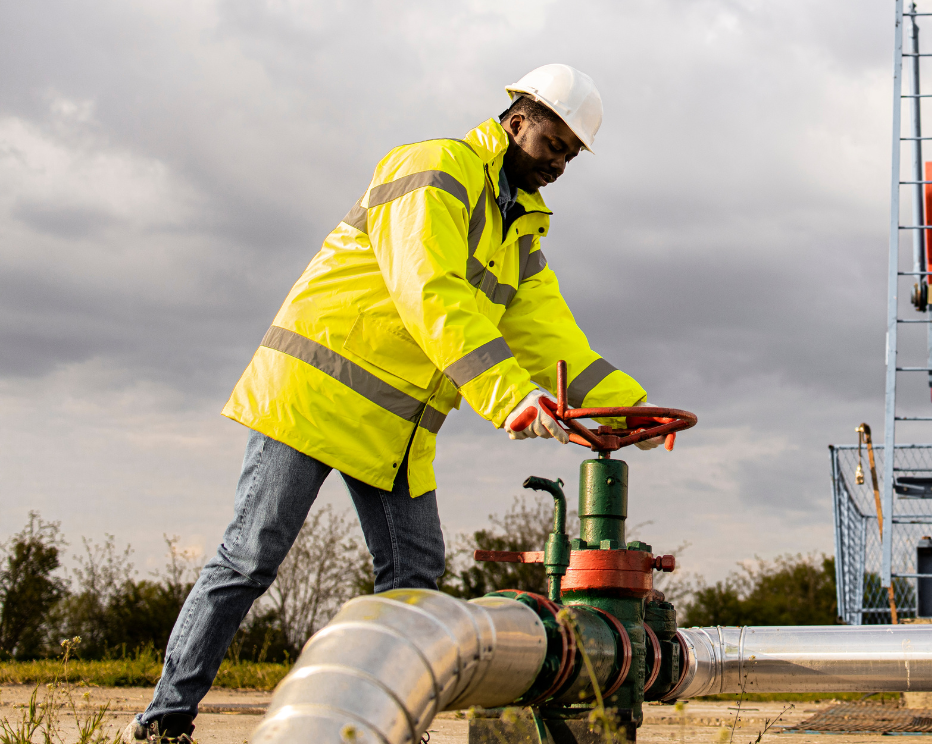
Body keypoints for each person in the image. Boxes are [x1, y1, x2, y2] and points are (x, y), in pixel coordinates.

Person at [123, 65, 657, 742]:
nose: (559, 164)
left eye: (571, 156)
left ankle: (394, 725)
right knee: (250, 558)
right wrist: (508, 396)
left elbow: (550, 336)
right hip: (314, 395)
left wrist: (626, 409)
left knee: (414, 579)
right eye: (555, 143)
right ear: (518, 121)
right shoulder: (438, 170)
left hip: (393, 425)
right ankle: (165, 719)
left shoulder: (517, 230)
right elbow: (429, 290)